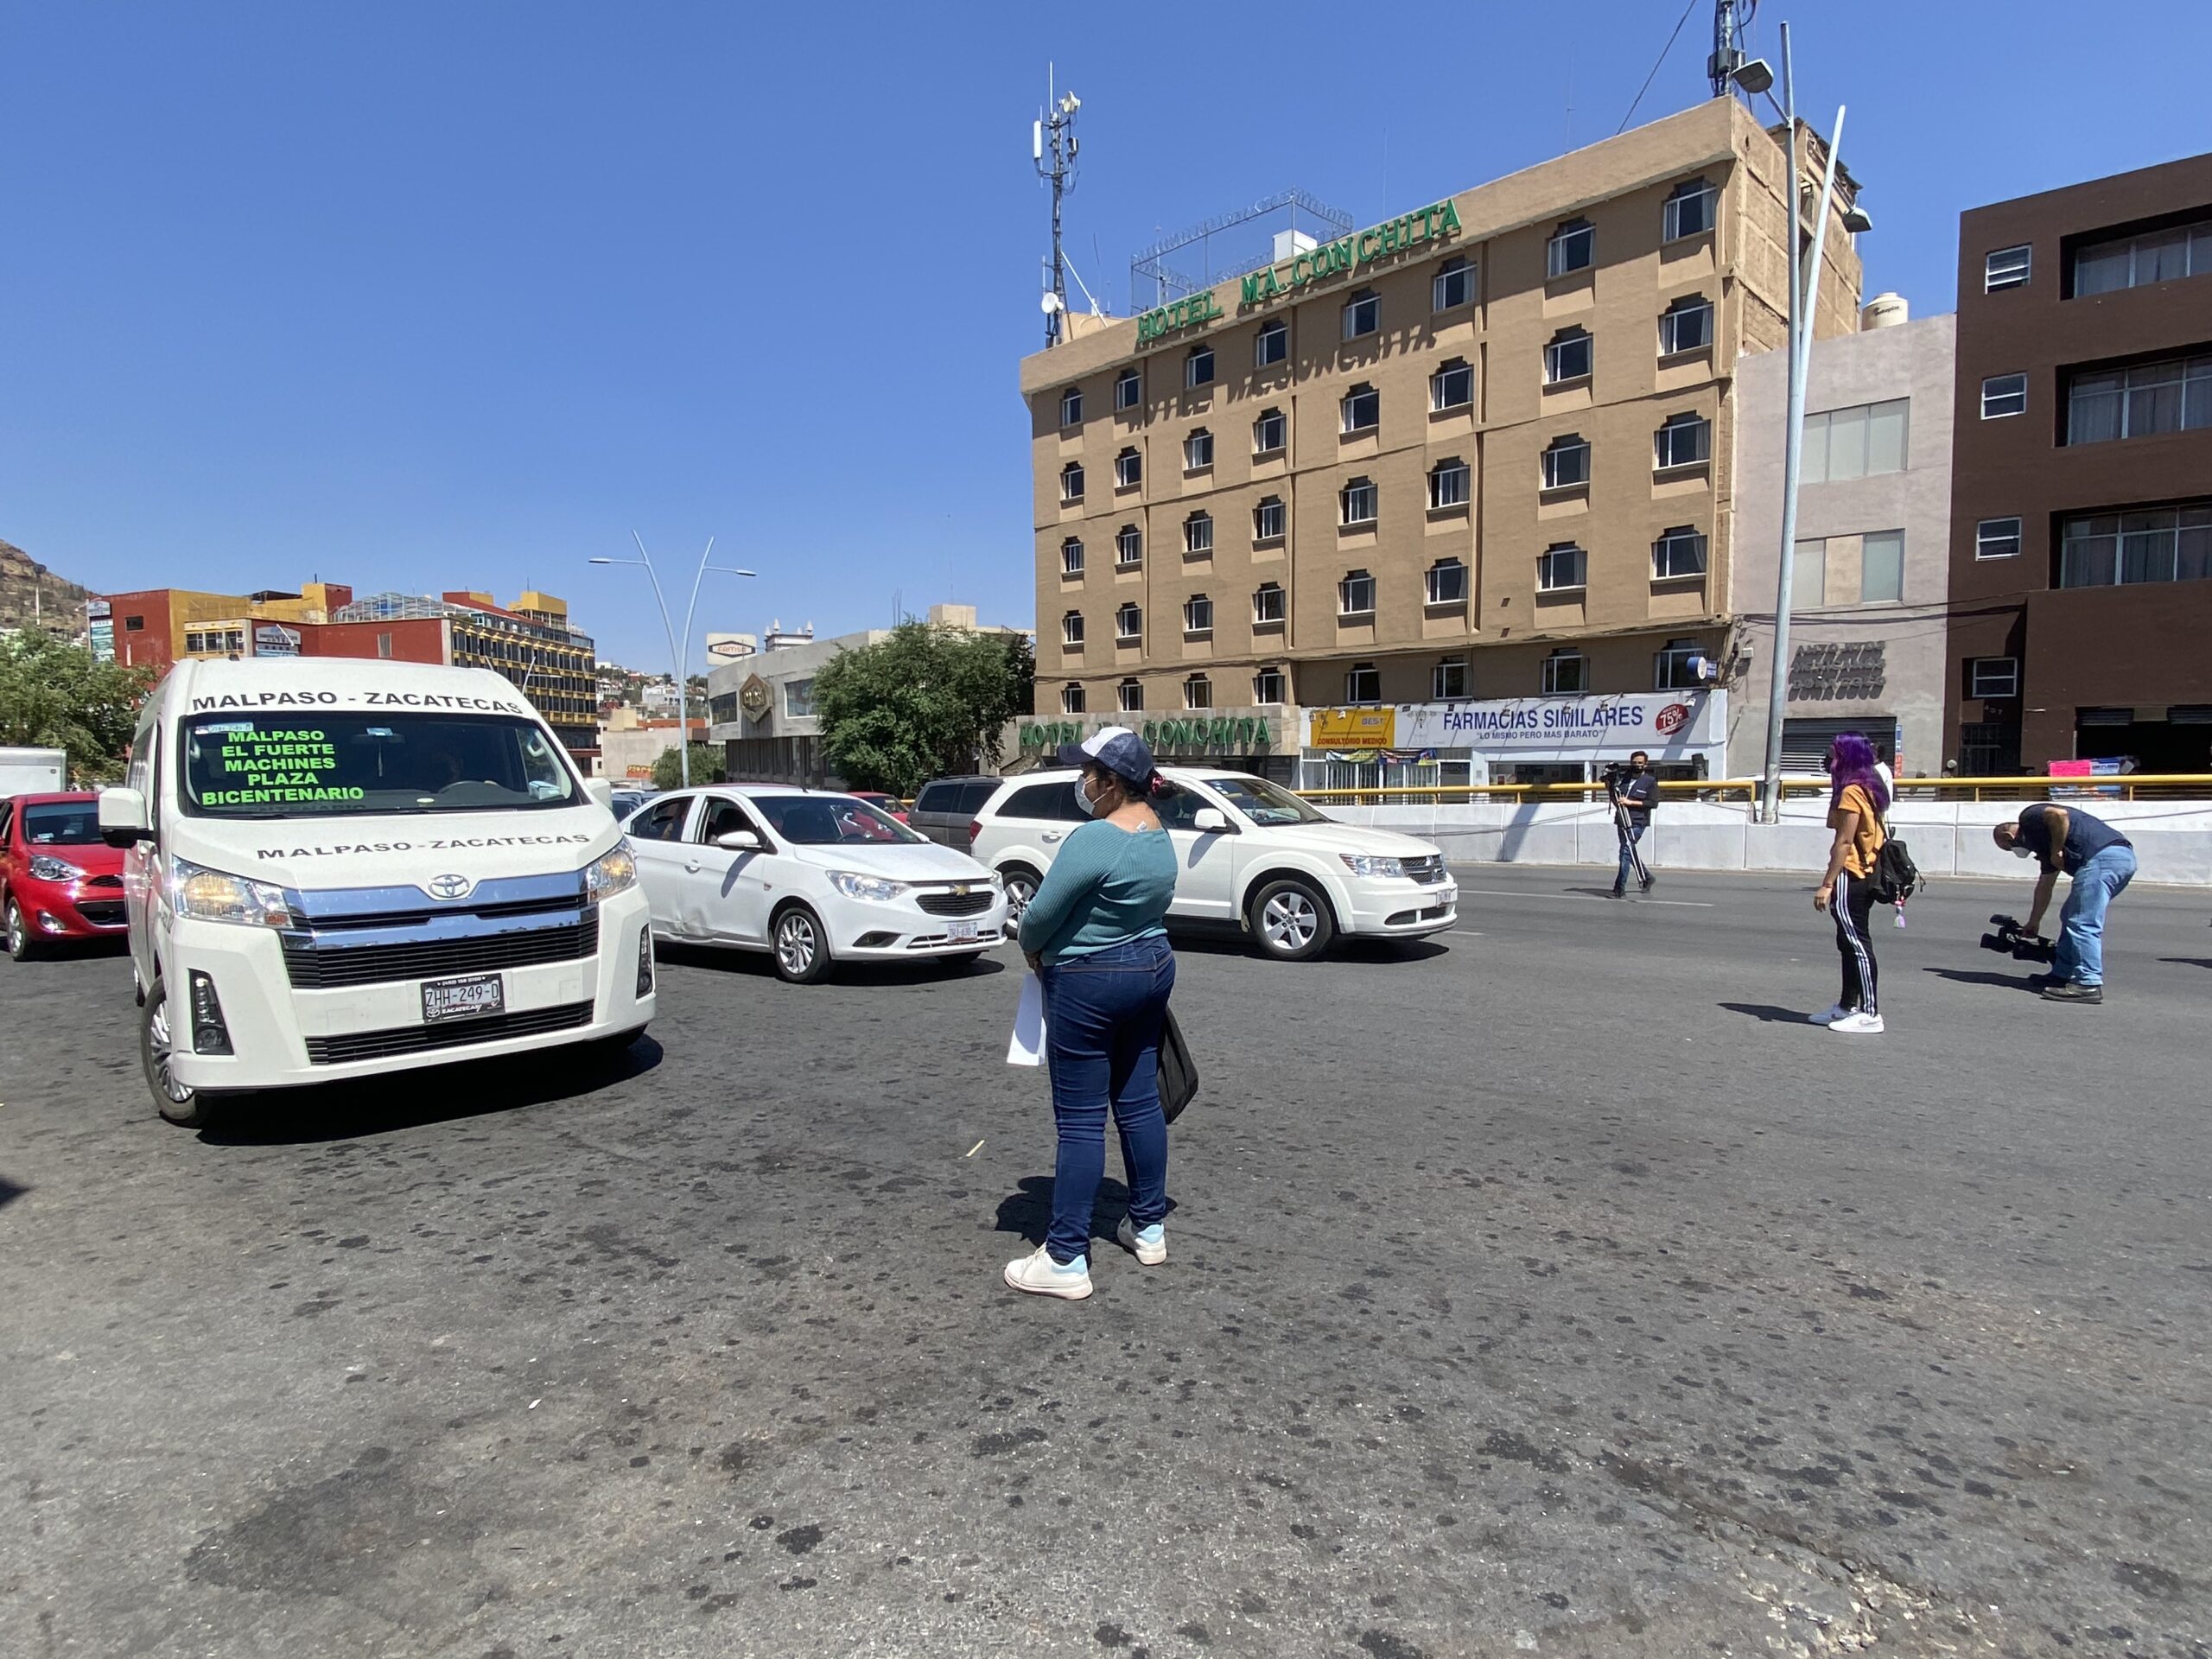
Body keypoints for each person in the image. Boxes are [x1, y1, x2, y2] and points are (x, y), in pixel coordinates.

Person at [1005, 727, 1180, 1300]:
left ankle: (1065, 1257)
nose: (1082, 781)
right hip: (1152, 966)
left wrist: (1034, 948)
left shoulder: (1093, 839)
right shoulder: (1157, 834)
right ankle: (1149, 1227)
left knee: (1080, 1120)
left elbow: (1039, 916)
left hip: (1090, 979)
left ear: (1110, 782)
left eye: (1088, 772)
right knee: (1137, 1101)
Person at [1993, 803, 2136, 1002]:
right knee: (2070, 915)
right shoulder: (2044, 844)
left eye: (2009, 848)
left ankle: (2088, 983)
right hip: (2119, 859)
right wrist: (2034, 922)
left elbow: (2058, 814)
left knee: (2082, 922)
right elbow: (2045, 886)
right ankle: (2063, 973)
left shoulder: (2029, 817)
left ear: (2010, 838)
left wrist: (2057, 850)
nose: (2015, 851)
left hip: (2101, 859)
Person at [1811, 732, 1889, 1033]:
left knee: (1856, 943)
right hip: (1868, 873)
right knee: (1847, 942)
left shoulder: (1851, 791)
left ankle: (1870, 1012)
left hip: (1851, 874)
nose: (1830, 761)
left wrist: (1827, 884)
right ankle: (1847, 1005)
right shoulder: (1870, 786)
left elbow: (1843, 841)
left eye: (1834, 755)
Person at [1608, 750, 1658, 897]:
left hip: (1637, 822)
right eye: (1634, 763)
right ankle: (1648, 878)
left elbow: (1653, 803)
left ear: (1645, 764)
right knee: (1628, 851)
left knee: (1625, 852)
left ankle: (1619, 888)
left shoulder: (1650, 781)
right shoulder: (1624, 779)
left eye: (1640, 763)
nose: (1636, 765)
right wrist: (1610, 785)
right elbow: (1616, 799)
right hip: (1622, 820)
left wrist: (1631, 802)